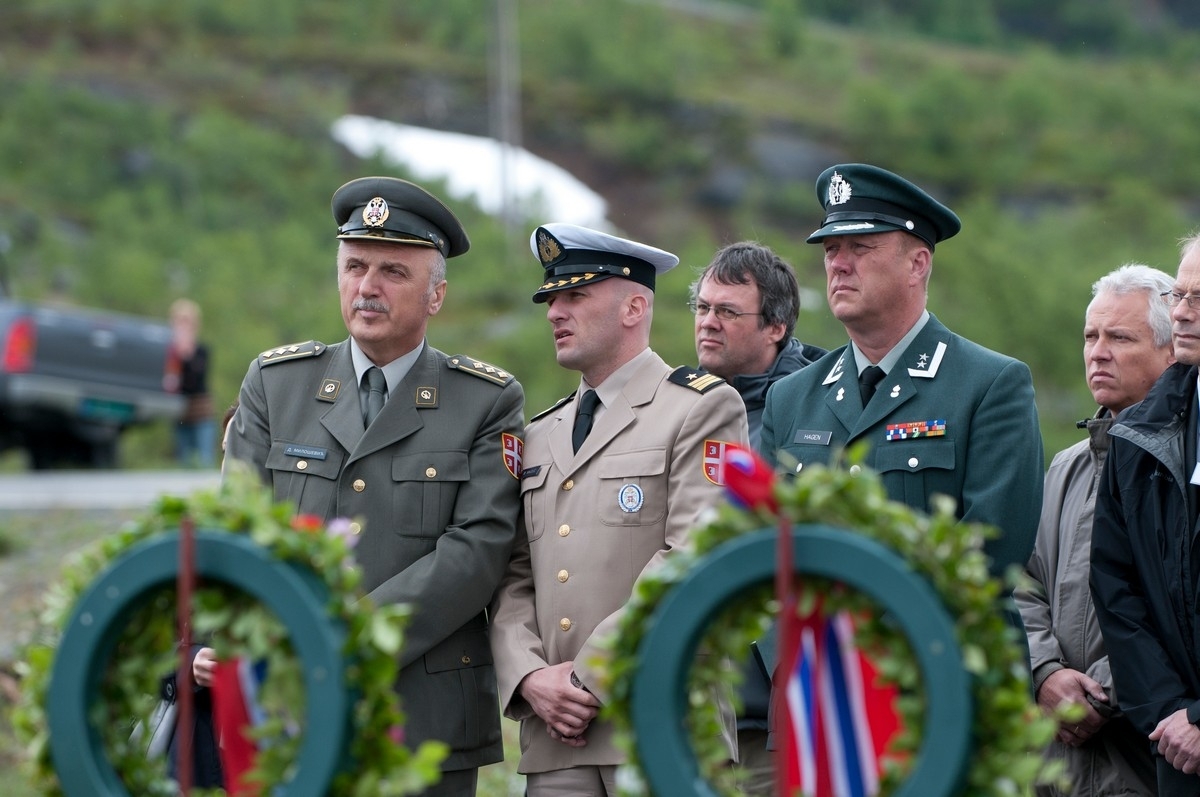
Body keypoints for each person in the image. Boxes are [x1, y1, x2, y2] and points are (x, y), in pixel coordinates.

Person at [222, 175, 525, 796]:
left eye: (393, 271)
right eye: (355, 265)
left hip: (423, 715)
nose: (367, 287)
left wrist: (345, 639)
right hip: (288, 704)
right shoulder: (276, 385)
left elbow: (478, 550)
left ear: (436, 295)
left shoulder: (485, 401)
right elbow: (233, 533)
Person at [489, 222, 749, 795]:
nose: (556, 311)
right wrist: (530, 677)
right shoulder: (538, 433)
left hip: (662, 724)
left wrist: (586, 679)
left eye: (575, 295)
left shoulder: (702, 409)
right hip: (557, 742)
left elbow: (697, 554)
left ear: (635, 306)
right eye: (551, 299)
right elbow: (512, 575)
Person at [760, 163, 1043, 578]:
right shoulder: (789, 398)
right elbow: (763, 551)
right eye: (830, 250)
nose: (838, 264)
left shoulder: (990, 386)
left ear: (917, 264)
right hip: (810, 642)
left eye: (860, 247)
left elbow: (989, 555)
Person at [1016, 264, 1173, 797]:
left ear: (1170, 351)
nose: (1097, 351)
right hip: (1054, 765)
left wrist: (1099, 693)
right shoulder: (1066, 465)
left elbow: (1175, 607)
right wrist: (1043, 672)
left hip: (1148, 755)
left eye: (1119, 337)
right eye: (1091, 335)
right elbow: (1022, 581)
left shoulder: (1183, 465)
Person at [689, 241, 825, 795]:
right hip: (696, 702)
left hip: (786, 711)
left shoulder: (824, 405)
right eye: (701, 307)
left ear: (776, 327)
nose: (708, 323)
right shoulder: (676, 406)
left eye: (727, 311)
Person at [1092, 233, 1200, 795]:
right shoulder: (1137, 439)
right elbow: (1117, 585)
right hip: (1175, 748)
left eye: (1197, 299)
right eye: (1179, 296)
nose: (1179, 313)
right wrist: (1173, 715)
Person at [165, 298, 215, 468]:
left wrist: (187, 354)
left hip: (201, 412)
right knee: (183, 461)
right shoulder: (169, 352)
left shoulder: (202, 350)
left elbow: (198, 377)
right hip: (180, 411)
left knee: (205, 460)